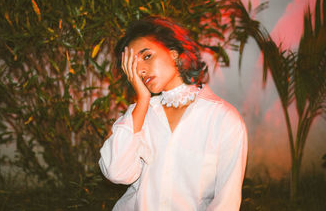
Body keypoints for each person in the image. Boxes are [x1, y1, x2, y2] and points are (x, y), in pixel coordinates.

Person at [99, 16, 248, 210]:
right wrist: (142, 100)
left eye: (147, 56)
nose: (141, 70)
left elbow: (226, 202)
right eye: (134, 67)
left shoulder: (223, 119)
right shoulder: (139, 114)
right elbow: (116, 172)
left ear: (174, 53)